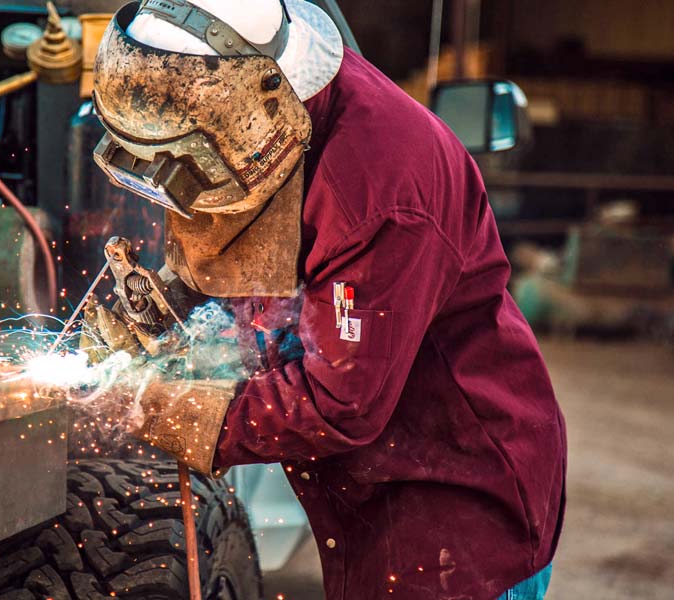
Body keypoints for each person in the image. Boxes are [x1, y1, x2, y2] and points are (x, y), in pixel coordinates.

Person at [90, 1, 566, 599]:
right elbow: (253, 246)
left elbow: (339, 401)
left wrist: (179, 410)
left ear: (254, 105)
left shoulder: (381, 193)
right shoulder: (270, 122)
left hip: (451, 498)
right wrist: (187, 312)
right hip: (372, 487)